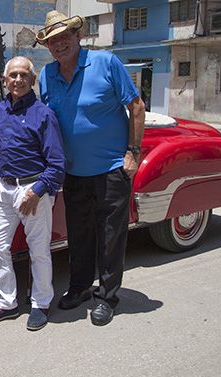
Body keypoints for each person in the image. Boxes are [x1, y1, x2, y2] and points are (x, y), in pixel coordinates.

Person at [37, 11, 146, 326]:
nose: (59, 44)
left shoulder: (105, 62)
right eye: (53, 41)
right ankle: (81, 287)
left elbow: (136, 106)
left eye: (64, 37)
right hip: (73, 172)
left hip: (112, 168)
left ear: (77, 36)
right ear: (48, 46)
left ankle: (107, 297)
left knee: (111, 236)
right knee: (80, 235)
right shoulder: (47, 75)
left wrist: (133, 153)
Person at [0, 56, 65, 331]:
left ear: (32, 80)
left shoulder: (43, 114)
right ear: (5, 80)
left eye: (23, 75)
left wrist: (37, 191)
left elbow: (57, 164)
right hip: (5, 188)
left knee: (38, 250)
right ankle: (7, 303)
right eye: (13, 75)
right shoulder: (0, 110)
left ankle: (40, 303)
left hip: (33, 188)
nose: (17, 80)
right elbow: (2, 152)